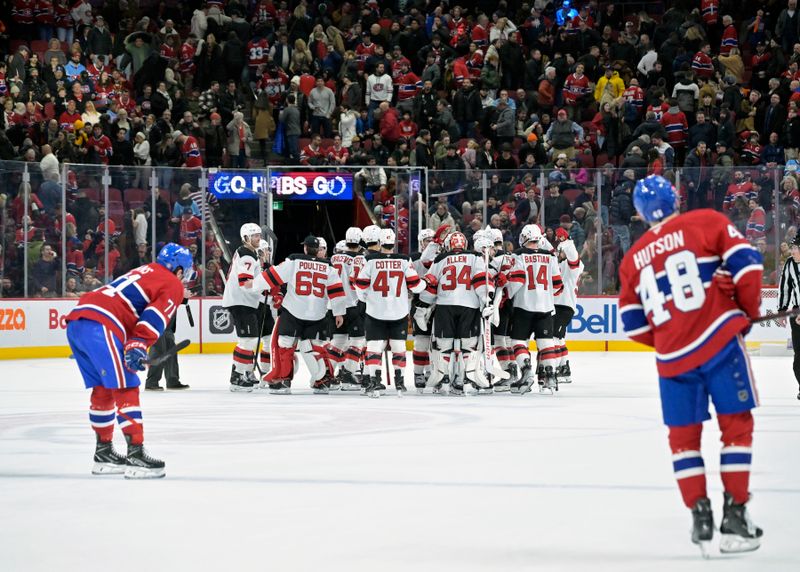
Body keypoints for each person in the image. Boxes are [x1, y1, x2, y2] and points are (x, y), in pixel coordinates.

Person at [619, 175, 764, 556]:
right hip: (719, 343)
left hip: (672, 361)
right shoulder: (706, 221)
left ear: (639, 213)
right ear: (676, 199)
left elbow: (633, 324)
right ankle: (735, 514)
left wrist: (671, 337)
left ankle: (699, 513)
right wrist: (747, 313)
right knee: (736, 428)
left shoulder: (633, 258)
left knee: (683, 440)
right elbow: (748, 268)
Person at [65, 243, 192, 479]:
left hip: (78, 320)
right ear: (180, 270)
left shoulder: (146, 269)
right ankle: (136, 455)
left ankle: (104, 453)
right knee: (127, 385)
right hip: (103, 324)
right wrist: (138, 344)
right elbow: (154, 316)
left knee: (103, 388)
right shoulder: (172, 282)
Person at [253, 235, 346, 394]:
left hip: (293, 312)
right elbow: (337, 292)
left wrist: (254, 285)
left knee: (285, 345)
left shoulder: (294, 263)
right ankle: (322, 382)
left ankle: (284, 381)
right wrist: (339, 313)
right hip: (317, 314)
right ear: (318, 250)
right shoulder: (329, 268)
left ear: (305, 248)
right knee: (315, 346)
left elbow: (271, 276)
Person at [418, 231, 492, 395]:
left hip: (445, 305)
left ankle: (443, 380)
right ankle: (468, 379)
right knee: (469, 345)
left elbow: (430, 284)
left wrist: (423, 305)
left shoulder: (440, 259)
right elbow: (481, 280)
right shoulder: (475, 257)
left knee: (443, 346)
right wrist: (487, 300)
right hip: (469, 306)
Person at [356, 228, 427, 396]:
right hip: (399, 311)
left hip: (375, 311)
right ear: (394, 243)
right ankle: (400, 383)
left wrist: (367, 299)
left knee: (373, 347)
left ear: (380, 243)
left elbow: (360, 285)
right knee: (399, 346)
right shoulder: (404, 260)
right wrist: (426, 282)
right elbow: (416, 286)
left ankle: (374, 380)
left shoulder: (370, 260)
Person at [503, 224, 564, 393]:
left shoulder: (519, 254)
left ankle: (527, 370)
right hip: (545, 306)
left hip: (524, 305)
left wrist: (506, 293)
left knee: (518, 341)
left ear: (524, 237)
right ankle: (550, 376)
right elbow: (558, 285)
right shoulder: (550, 256)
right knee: (546, 343)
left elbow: (516, 280)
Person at [221, 223, 269, 392]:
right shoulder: (247, 255)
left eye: (259, 235)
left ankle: (241, 374)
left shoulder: (249, 253)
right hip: (241, 302)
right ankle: (237, 377)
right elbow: (246, 283)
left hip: (244, 301)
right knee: (248, 340)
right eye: (255, 235)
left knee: (248, 340)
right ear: (246, 238)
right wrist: (265, 287)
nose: (258, 238)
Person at [329, 227, 366, 391]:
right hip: (352, 305)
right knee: (358, 340)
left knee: (338, 341)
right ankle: (349, 373)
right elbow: (357, 282)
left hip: (334, 306)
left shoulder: (333, 258)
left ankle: (327, 375)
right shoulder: (359, 258)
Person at [552, 228, 584, 384]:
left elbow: (572, 255)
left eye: (560, 251)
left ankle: (560, 367)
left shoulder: (573, 264)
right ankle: (564, 368)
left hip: (565, 305)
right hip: (558, 304)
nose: (559, 254)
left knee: (554, 336)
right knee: (559, 337)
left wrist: (566, 241)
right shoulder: (561, 263)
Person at [777, 233, 800, 400]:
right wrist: (782, 311)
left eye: (795, 248)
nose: (792, 251)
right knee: (798, 355)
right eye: (792, 248)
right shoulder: (790, 264)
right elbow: (785, 288)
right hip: (797, 315)